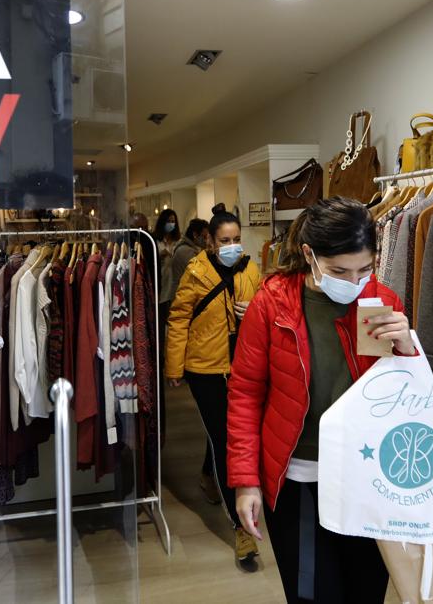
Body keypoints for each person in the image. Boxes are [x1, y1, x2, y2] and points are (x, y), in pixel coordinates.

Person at [227, 197, 415, 602]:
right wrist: (246, 481)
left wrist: (407, 348)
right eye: (339, 271)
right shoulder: (273, 304)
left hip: (368, 478)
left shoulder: (380, 304)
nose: (354, 280)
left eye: (364, 268)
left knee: (365, 590)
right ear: (309, 255)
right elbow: (244, 392)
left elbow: (404, 399)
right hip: (299, 479)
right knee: (312, 592)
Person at [165, 209, 263, 570]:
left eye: (237, 239)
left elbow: (264, 313)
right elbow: (178, 320)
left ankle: (209, 475)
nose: (233, 246)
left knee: (227, 430)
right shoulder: (196, 272)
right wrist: (174, 367)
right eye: (225, 240)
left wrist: (251, 311)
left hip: (244, 366)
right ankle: (241, 530)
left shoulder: (252, 270)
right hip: (205, 368)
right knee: (224, 438)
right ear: (210, 240)